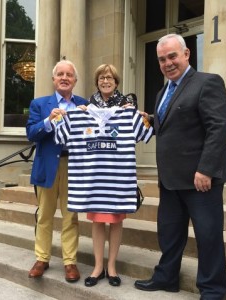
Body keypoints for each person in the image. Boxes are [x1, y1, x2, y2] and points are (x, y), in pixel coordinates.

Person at [134, 34, 226, 300]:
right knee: (169, 233)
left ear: (186, 54)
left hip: (200, 179)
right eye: (162, 59)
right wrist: (151, 119)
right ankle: (166, 277)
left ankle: (213, 289)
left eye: (172, 56)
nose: (167, 63)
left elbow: (218, 127)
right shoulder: (162, 91)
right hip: (170, 179)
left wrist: (206, 169)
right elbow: (173, 122)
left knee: (208, 236)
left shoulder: (207, 82)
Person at [59, 63, 151, 288]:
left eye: (109, 78)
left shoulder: (128, 110)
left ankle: (112, 267)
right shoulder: (83, 109)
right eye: (102, 78)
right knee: (98, 223)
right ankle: (98, 266)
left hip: (116, 183)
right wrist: (61, 117)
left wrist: (144, 117)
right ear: (97, 81)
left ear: (116, 82)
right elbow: (60, 136)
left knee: (116, 223)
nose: (105, 81)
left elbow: (146, 132)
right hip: (93, 183)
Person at [26, 59, 88, 282]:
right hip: (47, 165)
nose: (64, 78)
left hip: (74, 166)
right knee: (44, 215)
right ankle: (42, 258)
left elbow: (93, 133)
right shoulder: (39, 104)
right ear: (53, 80)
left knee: (71, 217)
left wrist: (87, 117)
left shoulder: (84, 104)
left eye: (69, 75)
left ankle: (70, 262)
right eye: (60, 74)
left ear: (75, 80)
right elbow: (31, 134)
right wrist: (48, 121)